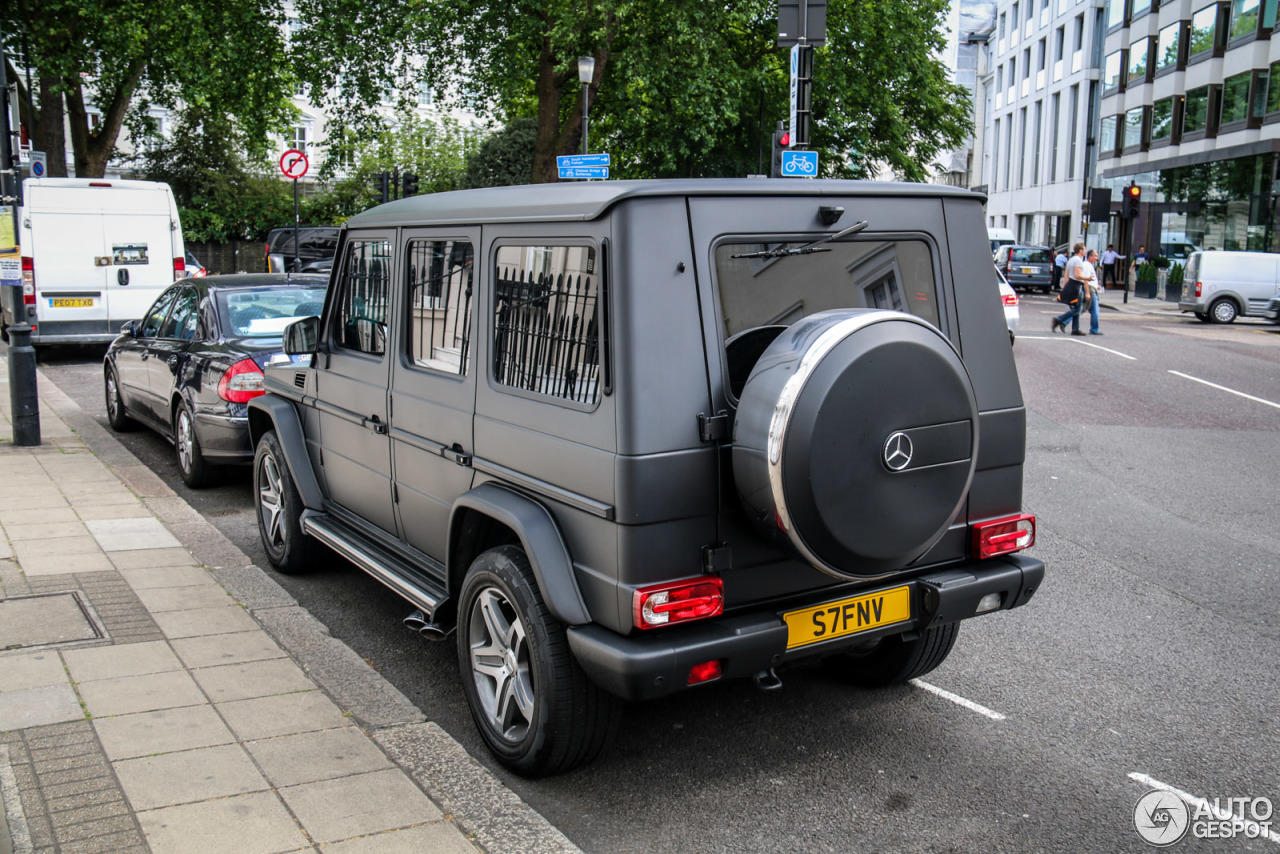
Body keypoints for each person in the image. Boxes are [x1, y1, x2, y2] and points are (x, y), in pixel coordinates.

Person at [1053, 243, 1088, 335]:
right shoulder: (1078, 261)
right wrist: (1087, 278)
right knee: (1078, 309)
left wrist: (1065, 287)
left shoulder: (1071, 260)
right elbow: (1077, 275)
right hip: (1076, 285)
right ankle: (1059, 319)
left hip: (1070, 284)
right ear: (1080, 250)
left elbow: (1066, 275)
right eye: (1084, 249)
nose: (1085, 251)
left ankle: (1075, 329)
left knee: (1077, 307)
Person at [1084, 249, 1103, 335]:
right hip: (1091, 290)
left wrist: (1097, 285)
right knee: (1095, 310)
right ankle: (1094, 329)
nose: (1097, 258)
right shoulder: (1087, 265)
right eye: (1095, 256)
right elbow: (1085, 279)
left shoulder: (1090, 265)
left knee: (1081, 309)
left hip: (1092, 288)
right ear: (1090, 256)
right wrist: (1087, 292)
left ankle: (1063, 321)